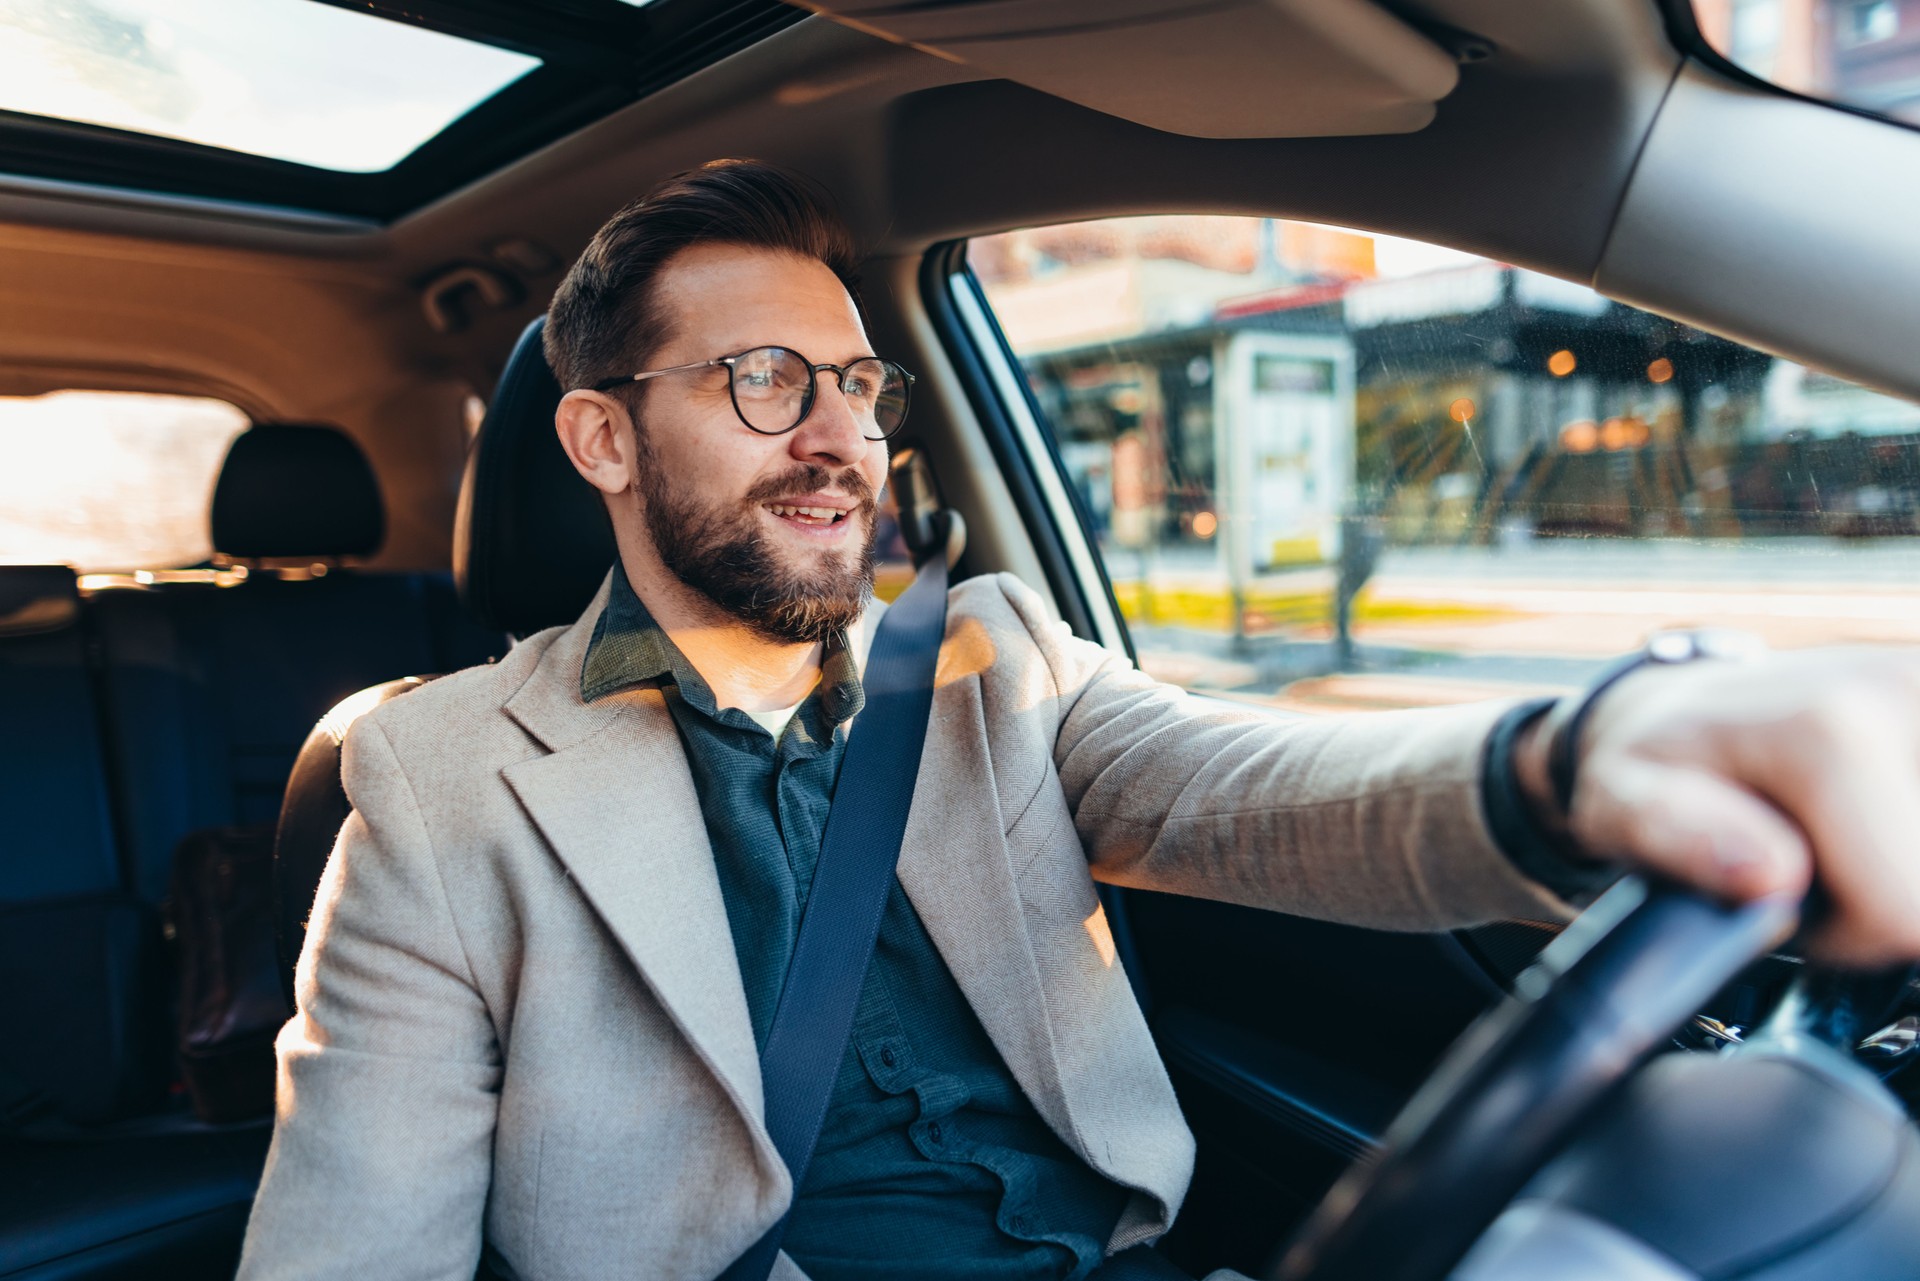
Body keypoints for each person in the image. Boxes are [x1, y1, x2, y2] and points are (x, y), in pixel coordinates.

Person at [237, 160, 1920, 1281]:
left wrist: (1575, 756)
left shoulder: (985, 653)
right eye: (764, 380)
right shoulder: (438, 778)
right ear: (604, 441)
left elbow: (1259, 790)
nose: (838, 439)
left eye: (857, 385)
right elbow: (354, 1244)